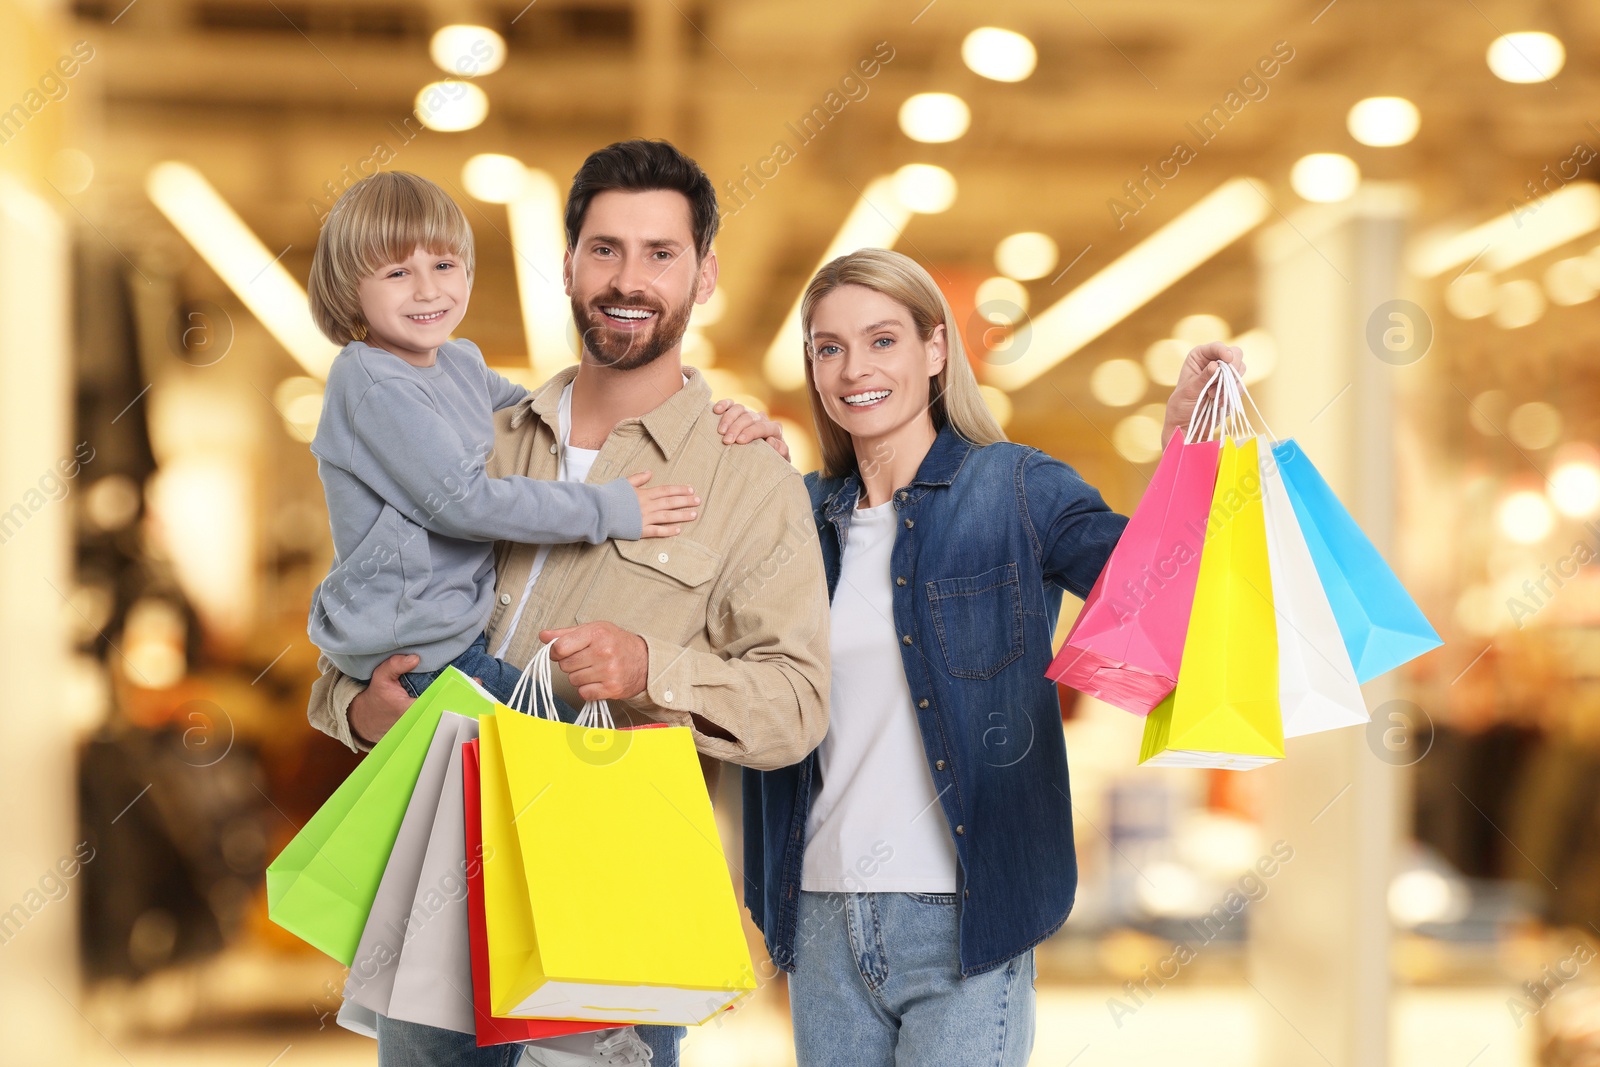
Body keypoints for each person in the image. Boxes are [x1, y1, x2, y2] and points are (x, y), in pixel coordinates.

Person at [306, 140, 832, 1067]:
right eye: (605, 249)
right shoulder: (473, 433)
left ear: (704, 275)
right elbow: (370, 599)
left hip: (611, 895)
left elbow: (796, 705)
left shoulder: (746, 476)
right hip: (441, 893)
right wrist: (353, 706)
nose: (629, 279)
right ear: (567, 265)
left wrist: (648, 668)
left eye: (661, 253)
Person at [741, 248, 1241, 1066]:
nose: (853, 368)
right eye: (828, 347)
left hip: (965, 920)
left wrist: (1183, 450)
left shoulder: (1013, 488)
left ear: (936, 350)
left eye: (882, 341)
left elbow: (1148, 594)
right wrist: (732, 482)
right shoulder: (799, 519)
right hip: (825, 914)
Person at [304, 170, 703, 709]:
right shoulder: (370, 383)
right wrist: (609, 509)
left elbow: (542, 411)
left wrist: (701, 416)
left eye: (444, 265)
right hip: (419, 649)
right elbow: (464, 502)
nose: (428, 289)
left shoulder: (457, 361)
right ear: (349, 287)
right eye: (398, 272)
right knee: (560, 743)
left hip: (452, 636)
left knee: (542, 754)